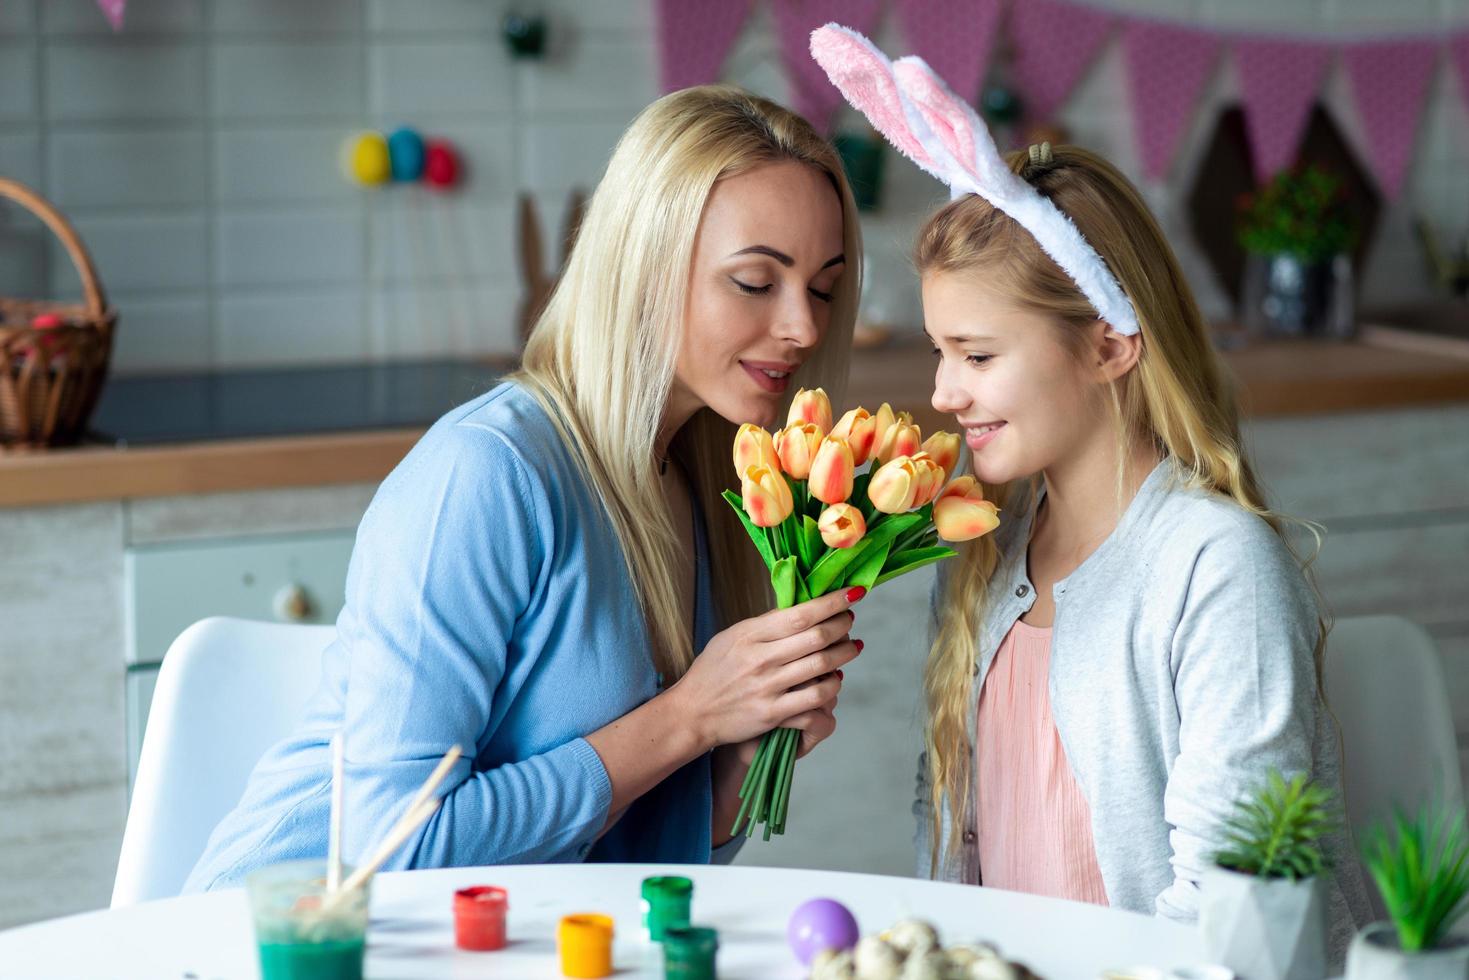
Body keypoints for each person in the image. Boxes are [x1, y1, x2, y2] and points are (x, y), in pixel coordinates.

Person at [184, 84, 867, 891]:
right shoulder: (486, 474)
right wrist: (688, 717)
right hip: (296, 944)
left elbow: (616, 860)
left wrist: (732, 774)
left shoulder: (709, 482)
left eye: (822, 287)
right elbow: (396, 853)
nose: (805, 326)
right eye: (755, 281)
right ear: (641, 267)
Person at [807, 25, 1371, 966]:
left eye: (977, 356)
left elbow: (1229, 910)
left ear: (1110, 344)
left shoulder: (1213, 566)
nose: (943, 394)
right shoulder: (984, 552)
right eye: (942, 353)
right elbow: (950, 832)